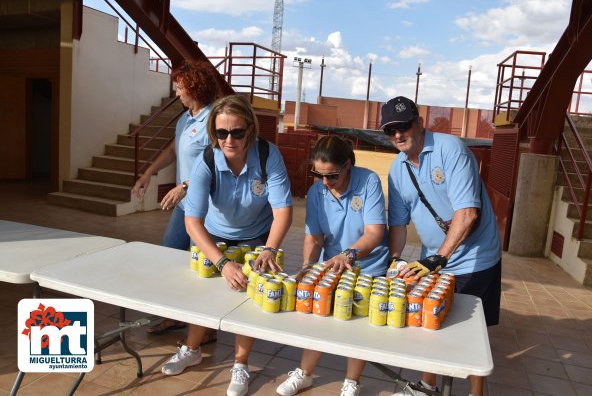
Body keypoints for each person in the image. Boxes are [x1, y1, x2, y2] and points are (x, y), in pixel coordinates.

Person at [161, 94, 293, 396]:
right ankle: (191, 349)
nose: (229, 139)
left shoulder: (267, 155)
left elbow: (283, 210)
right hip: (215, 233)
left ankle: (241, 364)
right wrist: (222, 262)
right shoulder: (207, 160)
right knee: (203, 290)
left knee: (247, 294)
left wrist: (269, 250)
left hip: (256, 235)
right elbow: (192, 221)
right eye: (221, 133)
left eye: (237, 132)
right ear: (213, 133)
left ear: (250, 129)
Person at [381, 96, 501, 396]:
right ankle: (426, 386)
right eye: (389, 130)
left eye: (403, 126)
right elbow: (398, 223)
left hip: (475, 257)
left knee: (471, 334)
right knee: (429, 323)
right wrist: (394, 258)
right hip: (433, 259)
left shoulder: (451, 149)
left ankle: (476, 393)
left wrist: (438, 259)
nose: (397, 134)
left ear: (419, 123)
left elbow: (468, 213)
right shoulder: (398, 169)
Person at [276, 135, 389, 396]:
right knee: (319, 317)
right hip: (332, 264)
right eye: (319, 175)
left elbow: (374, 232)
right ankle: (304, 373)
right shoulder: (317, 192)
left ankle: (351, 381)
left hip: (367, 265)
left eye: (332, 176)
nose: (326, 183)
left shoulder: (368, 181)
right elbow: (315, 236)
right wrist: (307, 266)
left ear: (347, 165)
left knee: (358, 322)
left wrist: (348, 255)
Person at [132, 61, 218, 336]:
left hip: (205, 210)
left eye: (180, 88)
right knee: (168, 258)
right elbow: (173, 149)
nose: (177, 94)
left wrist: (185, 185)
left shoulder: (214, 119)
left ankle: (206, 328)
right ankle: (175, 315)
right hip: (184, 207)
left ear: (195, 87)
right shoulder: (185, 118)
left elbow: (220, 162)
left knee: (200, 267)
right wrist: (148, 174)